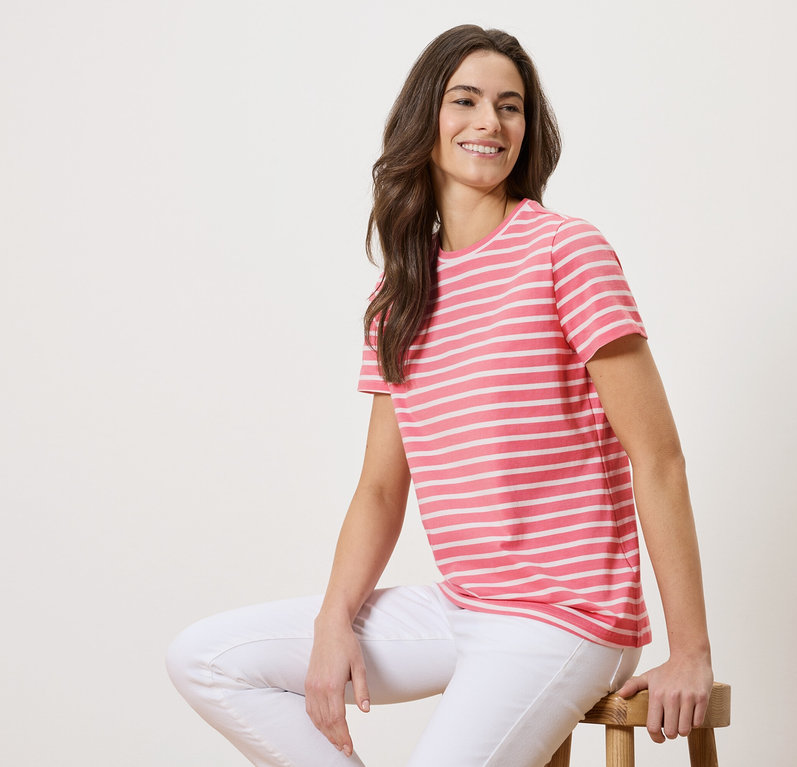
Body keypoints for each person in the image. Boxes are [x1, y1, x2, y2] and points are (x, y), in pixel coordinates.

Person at [166, 24, 713, 767]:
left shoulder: (565, 251)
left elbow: (659, 457)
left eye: (511, 106)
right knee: (206, 658)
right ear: (427, 123)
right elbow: (380, 488)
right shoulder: (399, 299)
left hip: (566, 616)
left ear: (529, 131)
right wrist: (335, 620)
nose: (490, 122)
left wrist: (690, 652)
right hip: (462, 607)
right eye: (467, 100)